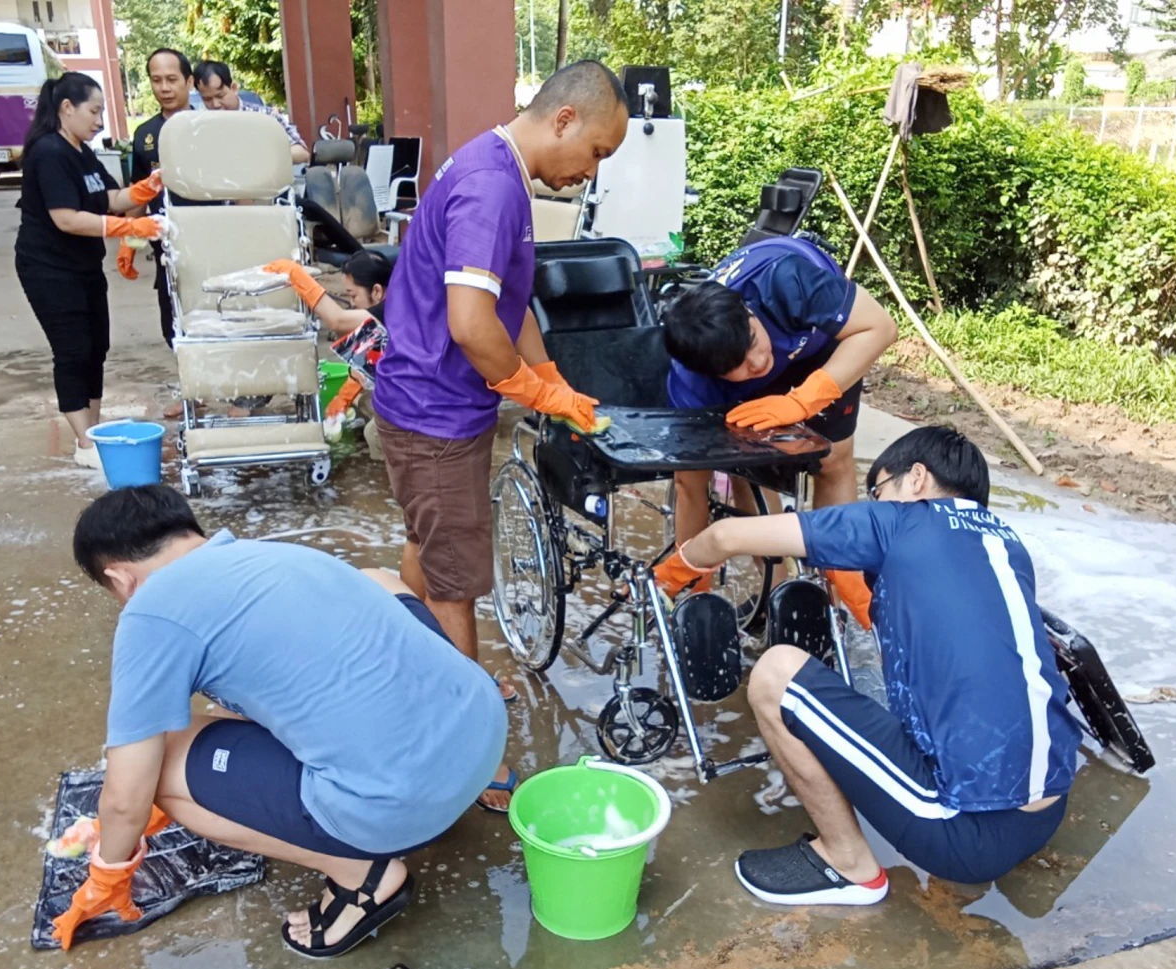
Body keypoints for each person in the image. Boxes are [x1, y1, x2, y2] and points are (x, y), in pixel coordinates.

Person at [51, 485, 507, 958]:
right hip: (483, 737)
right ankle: (449, 767)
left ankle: (364, 880)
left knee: (158, 764)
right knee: (378, 579)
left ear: (119, 578)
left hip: (404, 806)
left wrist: (108, 874)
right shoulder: (267, 555)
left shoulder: (149, 612)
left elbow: (126, 801)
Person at [652, 427, 1080, 906]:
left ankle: (848, 864)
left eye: (878, 491)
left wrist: (668, 574)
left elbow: (726, 534)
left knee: (776, 672)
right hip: (1048, 808)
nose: (877, 503)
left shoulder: (900, 522)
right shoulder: (1006, 545)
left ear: (916, 479)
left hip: (965, 836)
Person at [370, 59, 628, 739]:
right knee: (456, 579)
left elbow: (509, 303)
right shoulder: (492, 187)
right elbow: (472, 324)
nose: (592, 171)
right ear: (564, 119)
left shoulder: (500, 168)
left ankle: (414, 664)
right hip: (436, 416)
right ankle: (469, 735)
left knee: (431, 547)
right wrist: (529, 389)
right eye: (598, 151)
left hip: (429, 404)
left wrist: (554, 381)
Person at [659, 236, 899, 625]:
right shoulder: (692, 381)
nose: (758, 360)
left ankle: (839, 598)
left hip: (826, 348)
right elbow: (690, 484)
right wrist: (691, 571)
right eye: (740, 362)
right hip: (742, 387)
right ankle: (779, 592)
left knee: (832, 459)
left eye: (753, 340)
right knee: (744, 465)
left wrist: (804, 400)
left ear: (749, 312)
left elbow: (880, 328)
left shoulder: (786, 281)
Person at [15, 72, 162, 470]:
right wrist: (129, 228)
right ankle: (84, 442)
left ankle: (93, 431)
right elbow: (65, 218)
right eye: (94, 110)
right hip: (48, 267)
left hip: (83, 264)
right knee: (73, 350)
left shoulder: (83, 151)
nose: (99, 120)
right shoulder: (48, 153)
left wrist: (149, 187)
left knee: (97, 348)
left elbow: (110, 198)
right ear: (67, 108)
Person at [125, 49, 195, 348]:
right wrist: (129, 242)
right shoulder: (144, 134)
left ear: (189, 82)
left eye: (171, 79)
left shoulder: (211, 124)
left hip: (210, 234)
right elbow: (139, 195)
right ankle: (193, 394)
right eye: (156, 80)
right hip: (166, 241)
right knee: (173, 318)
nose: (164, 88)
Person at [323, 250, 394, 448]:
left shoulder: (396, 312)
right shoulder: (392, 303)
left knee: (373, 434)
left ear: (377, 291)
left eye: (353, 295)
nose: (352, 304)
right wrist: (343, 398)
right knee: (363, 400)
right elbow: (368, 358)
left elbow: (337, 320)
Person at [192, 60, 311, 164]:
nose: (215, 105)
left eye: (220, 96)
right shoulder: (199, 125)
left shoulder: (266, 116)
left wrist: (259, 154)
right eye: (207, 99)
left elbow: (301, 153)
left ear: (233, 88)